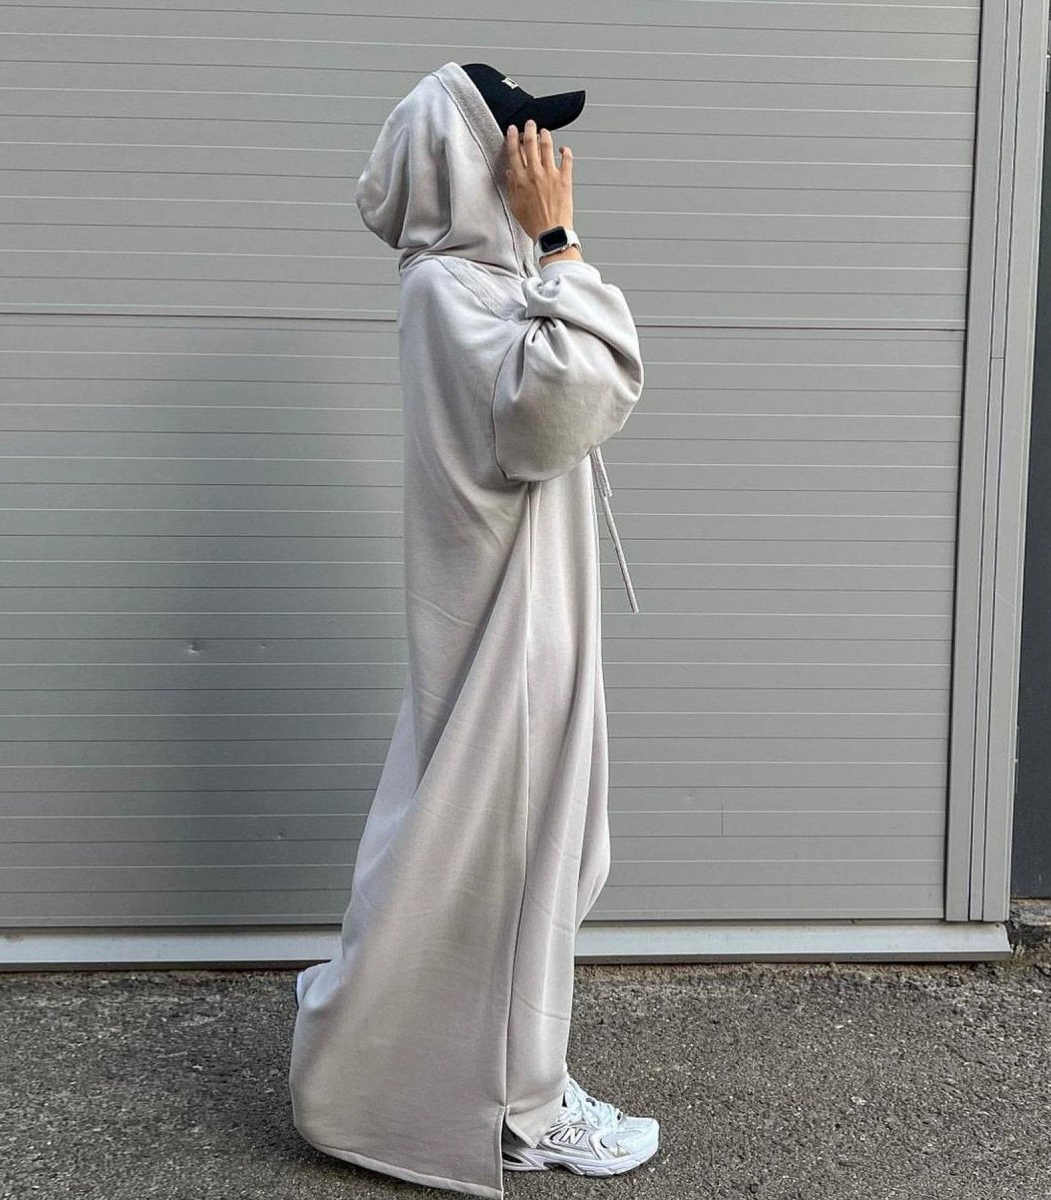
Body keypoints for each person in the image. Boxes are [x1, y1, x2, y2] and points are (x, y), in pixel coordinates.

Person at [287, 61, 658, 1200]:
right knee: (510, 866)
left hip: (526, 615)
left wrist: (543, 260)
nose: (542, 158)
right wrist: (562, 241)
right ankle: (519, 1108)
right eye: (523, 139)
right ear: (472, 159)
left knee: (509, 859)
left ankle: (476, 1085)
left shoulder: (475, 286)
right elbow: (570, 401)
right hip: (510, 635)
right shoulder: (458, 290)